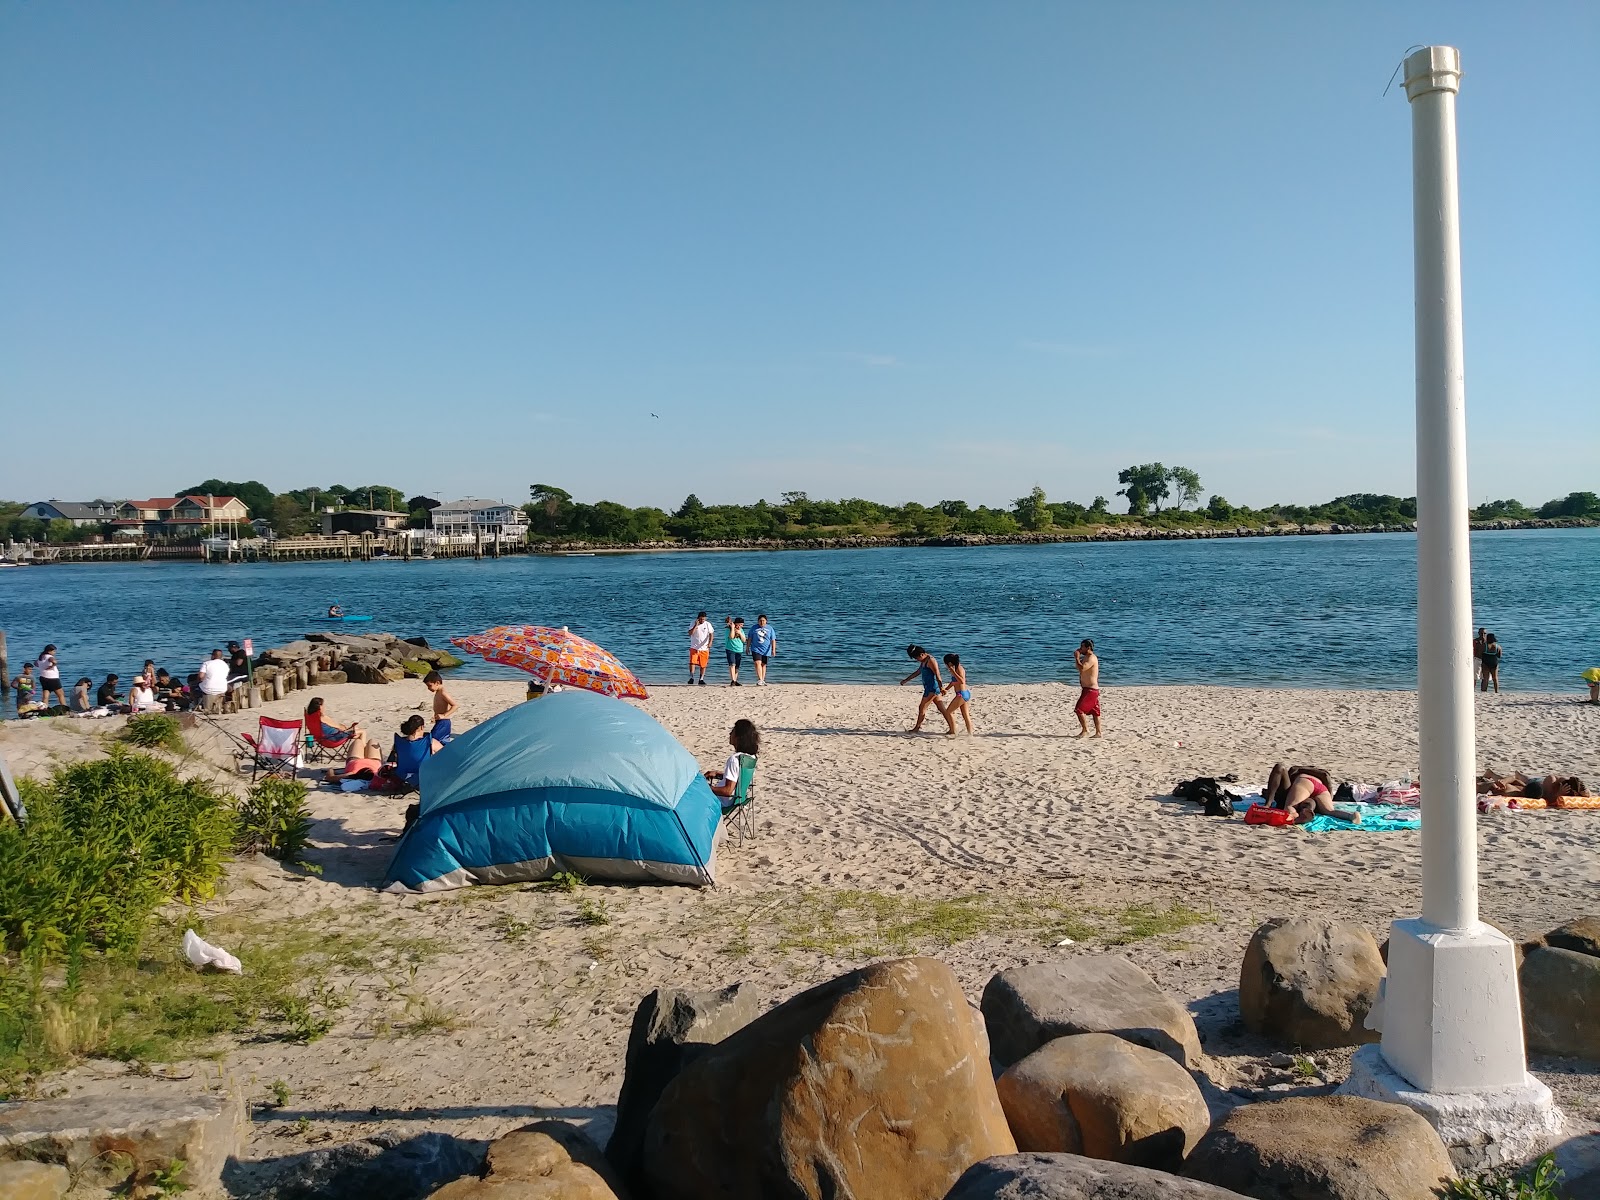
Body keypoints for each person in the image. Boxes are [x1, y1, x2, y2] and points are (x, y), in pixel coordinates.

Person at [1265, 763, 1360, 824]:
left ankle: (1296, 818)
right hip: (1322, 788)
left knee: (1290, 807)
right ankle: (1351, 816)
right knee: (1329, 811)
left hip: (1305, 782)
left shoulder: (1295, 773)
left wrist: (1268, 802)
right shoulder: (1321, 774)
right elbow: (1329, 787)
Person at [900, 645, 955, 734]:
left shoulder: (931, 661)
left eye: (916, 658)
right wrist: (906, 680)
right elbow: (918, 672)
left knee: (922, 708)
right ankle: (952, 728)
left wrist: (941, 688)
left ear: (922, 654)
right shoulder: (924, 660)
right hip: (929, 687)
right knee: (942, 709)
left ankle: (916, 728)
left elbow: (938, 675)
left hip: (932, 689)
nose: (916, 660)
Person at [705, 719, 760, 800]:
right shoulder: (750, 757)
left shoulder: (735, 759)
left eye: (733, 731)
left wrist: (707, 788)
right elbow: (738, 779)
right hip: (739, 798)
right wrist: (718, 774)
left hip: (722, 801)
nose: (730, 733)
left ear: (738, 737)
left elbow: (727, 791)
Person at [387, 714, 441, 786]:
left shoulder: (399, 742)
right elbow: (447, 753)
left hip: (402, 775)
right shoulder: (430, 741)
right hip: (423, 776)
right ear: (421, 727)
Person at [1073, 639, 1102, 738]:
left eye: (1082, 647)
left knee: (1079, 709)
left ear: (1088, 648)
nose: (1080, 649)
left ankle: (1085, 730)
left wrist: (1077, 657)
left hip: (1091, 689)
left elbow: (1082, 668)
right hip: (1088, 688)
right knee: (1095, 711)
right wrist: (1078, 659)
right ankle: (1098, 732)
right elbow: (1079, 668)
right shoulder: (1086, 657)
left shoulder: (1091, 658)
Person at [941, 653, 975, 735]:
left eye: (946, 664)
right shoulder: (956, 668)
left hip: (961, 695)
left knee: (949, 712)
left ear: (949, 663)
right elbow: (953, 682)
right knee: (965, 715)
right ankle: (970, 734)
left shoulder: (958, 669)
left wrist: (953, 672)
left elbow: (961, 681)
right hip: (964, 694)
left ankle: (953, 731)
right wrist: (946, 689)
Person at [422, 670, 457, 742]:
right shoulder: (438, 692)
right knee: (438, 740)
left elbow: (455, 705)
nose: (428, 688)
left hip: (444, 722)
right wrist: (435, 717)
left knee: (433, 740)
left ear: (437, 683)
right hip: (439, 721)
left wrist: (444, 715)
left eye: (430, 686)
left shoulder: (443, 693)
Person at [748, 615, 777, 686]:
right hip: (756, 648)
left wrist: (773, 649)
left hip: (766, 649)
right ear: (758, 621)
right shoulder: (753, 628)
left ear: (766, 621)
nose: (762, 622)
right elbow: (749, 638)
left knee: (763, 664)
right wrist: (747, 647)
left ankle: (763, 679)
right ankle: (760, 679)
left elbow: (773, 640)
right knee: (757, 663)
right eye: (760, 620)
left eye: (763, 620)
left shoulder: (770, 628)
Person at [687, 612, 714, 686]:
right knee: (692, 662)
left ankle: (701, 679)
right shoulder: (693, 623)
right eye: (701, 619)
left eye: (703, 619)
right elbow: (690, 633)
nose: (702, 620)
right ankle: (691, 677)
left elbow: (711, 633)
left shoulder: (708, 624)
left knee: (703, 664)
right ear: (698, 618)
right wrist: (696, 625)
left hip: (704, 648)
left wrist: (710, 642)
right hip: (694, 647)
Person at [724, 617, 748, 686]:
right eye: (739, 625)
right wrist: (732, 628)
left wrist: (740, 633)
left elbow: (744, 640)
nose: (740, 626)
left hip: (739, 649)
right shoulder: (728, 629)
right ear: (735, 624)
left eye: (742, 625)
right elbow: (731, 637)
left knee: (737, 666)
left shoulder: (741, 630)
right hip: (730, 649)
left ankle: (735, 679)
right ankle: (733, 680)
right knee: (732, 664)